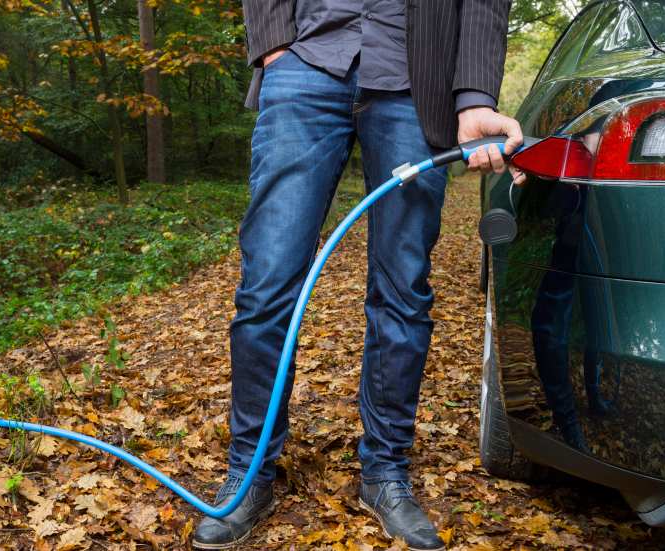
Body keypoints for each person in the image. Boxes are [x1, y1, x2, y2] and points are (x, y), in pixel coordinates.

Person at [193, 1, 525, 549]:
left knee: (404, 289)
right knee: (267, 285)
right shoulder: (290, 64)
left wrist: (473, 99)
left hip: (416, 84)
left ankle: (385, 473)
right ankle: (249, 471)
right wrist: (275, 47)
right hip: (304, 66)